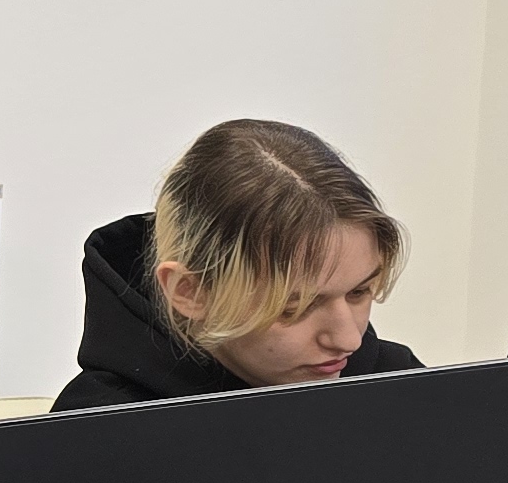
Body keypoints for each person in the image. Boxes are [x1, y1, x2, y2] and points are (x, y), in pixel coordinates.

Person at [54, 118, 421, 410]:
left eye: (359, 292)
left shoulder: (401, 385)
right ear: (190, 292)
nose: (348, 339)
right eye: (296, 307)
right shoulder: (94, 436)